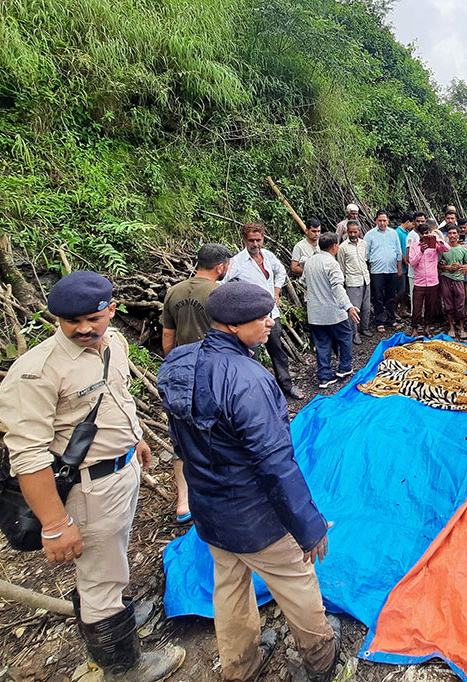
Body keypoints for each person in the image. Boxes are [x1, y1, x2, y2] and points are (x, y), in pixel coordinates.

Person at [0, 271, 184, 681]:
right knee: (101, 577)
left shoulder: (114, 343)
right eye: (71, 322)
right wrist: (54, 524)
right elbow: (27, 456)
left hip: (121, 471)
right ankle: (125, 668)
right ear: (56, 320)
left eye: (92, 318)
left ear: (111, 310)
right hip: (88, 487)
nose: (83, 329)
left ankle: (112, 621)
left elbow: (115, 398)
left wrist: (134, 439)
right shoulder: (38, 371)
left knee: (108, 563)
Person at [157, 282, 339, 682]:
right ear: (236, 327)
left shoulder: (177, 364)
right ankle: (320, 657)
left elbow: (181, 441)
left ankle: (240, 666)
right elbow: (274, 462)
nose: (272, 323)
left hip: (209, 508)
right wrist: (308, 527)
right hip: (255, 514)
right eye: (264, 318)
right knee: (296, 582)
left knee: (230, 586)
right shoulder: (248, 379)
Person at [161, 243, 231, 523]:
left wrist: (175, 365)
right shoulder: (219, 294)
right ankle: (221, 487)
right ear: (220, 267)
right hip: (214, 370)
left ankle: (183, 500)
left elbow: (168, 337)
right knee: (221, 428)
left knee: (182, 435)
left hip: (181, 370)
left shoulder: (174, 292)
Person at [224, 223, 302, 400]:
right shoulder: (238, 262)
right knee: (252, 355)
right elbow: (221, 282)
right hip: (251, 318)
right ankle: (257, 393)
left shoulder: (268, 256)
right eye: (251, 240)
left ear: (263, 239)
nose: (255, 244)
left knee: (277, 351)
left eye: (258, 240)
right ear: (244, 240)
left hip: (271, 314)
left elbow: (281, 271)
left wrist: (276, 290)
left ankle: (286, 385)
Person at [304, 233, 359, 390]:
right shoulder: (331, 263)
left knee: (322, 344)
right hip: (333, 312)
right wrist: (348, 306)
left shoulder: (310, 262)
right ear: (335, 246)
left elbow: (303, 281)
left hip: (315, 313)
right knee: (346, 336)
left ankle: (324, 376)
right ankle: (345, 367)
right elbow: (337, 287)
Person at [407, 218, 450, 336]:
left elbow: (447, 248)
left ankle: (427, 328)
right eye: (424, 233)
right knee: (417, 307)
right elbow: (412, 262)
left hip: (432, 281)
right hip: (419, 282)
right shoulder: (415, 246)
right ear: (420, 235)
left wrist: (438, 240)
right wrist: (421, 251)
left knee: (430, 307)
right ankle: (414, 329)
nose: (427, 235)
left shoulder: (435, 245)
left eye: (428, 232)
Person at [364, 210, 401, 334]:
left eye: (384, 220)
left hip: (392, 269)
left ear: (388, 221)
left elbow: (398, 251)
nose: (382, 223)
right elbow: (366, 254)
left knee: (391, 296)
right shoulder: (370, 235)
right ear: (376, 221)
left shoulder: (393, 233)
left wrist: (399, 269)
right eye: (380, 220)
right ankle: (379, 321)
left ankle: (391, 319)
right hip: (376, 271)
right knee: (378, 297)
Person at [336, 221, 370, 345]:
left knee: (366, 307)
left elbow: (365, 260)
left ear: (359, 231)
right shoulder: (343, 247)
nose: (353, 234)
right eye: (350, 232)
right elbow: (341, 266)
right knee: (354, 309)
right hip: (352, 281)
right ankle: (354, 333)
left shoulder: (364, 244)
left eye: (355, 232)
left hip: (365, 279)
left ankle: (364, 328)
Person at [438, 225, 467, 338]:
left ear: (458, 234)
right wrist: (447, 267)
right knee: (448, 304)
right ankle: (451, 327)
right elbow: (438, 265)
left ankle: (461, 327)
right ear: (447, 235)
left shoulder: (463, 249)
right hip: (446, 278)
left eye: (454, 233)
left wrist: (460, 266)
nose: (452, 236)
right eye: (450, 233)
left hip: (459, 279)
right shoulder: (443, 249)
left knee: (460, 303)